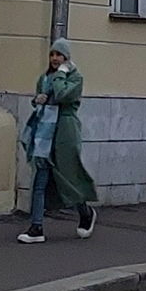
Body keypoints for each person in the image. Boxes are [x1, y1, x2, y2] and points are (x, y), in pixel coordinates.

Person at [18, 39, 97, 244]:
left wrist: (61, 73)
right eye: (52, 54)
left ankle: (86, 212)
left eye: (59, 55)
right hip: (44, 132)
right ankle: (36, 227)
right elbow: (40, 100)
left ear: (66, 58)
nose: (54, 58)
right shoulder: (44, 78)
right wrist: (36, 100)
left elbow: (62, 94)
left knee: (68, 177)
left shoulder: (75, 77)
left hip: (65, 132)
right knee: (40, 180)